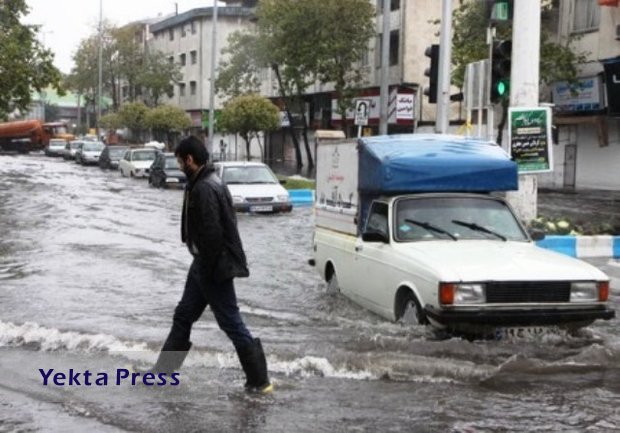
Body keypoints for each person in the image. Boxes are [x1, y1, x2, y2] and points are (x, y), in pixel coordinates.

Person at [148, 135, 272, 394]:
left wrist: (209, 271)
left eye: (181, 162)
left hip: (213, 267)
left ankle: (260, 381)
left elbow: (213, 235)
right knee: (183, 316)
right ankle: (163, 373)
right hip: (203, 265)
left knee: (231, 322)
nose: (180, 167)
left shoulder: (205, 187)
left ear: (190, 160)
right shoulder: (207, 180)